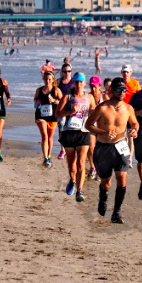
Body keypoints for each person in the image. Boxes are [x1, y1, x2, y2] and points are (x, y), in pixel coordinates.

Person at [85, 77, 138, 223]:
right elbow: (89, 125)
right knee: (106, 182)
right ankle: (103, 197)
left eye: (124, 90)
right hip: (103, 148)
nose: (122, 92)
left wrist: (134, 130)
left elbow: (135, 123)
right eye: (119, 89)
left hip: (121, 146)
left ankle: (116, 212)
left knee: (122, 178)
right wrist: (102, 132)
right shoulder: (102, 107)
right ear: (112, 90)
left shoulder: (128, 108)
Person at [57, 72, 96, 202]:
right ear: (74, 83)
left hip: (83, 132)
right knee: (71, 164)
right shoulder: (67, 97)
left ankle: (79, 191)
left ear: (85, 83)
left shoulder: (89, 97)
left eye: (81, 82)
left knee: (81, 163)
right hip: (69, 132)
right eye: (77, 82)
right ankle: (72, 180)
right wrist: (69, 111)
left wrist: (92, 113)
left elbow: (95, 111)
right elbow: (58, 113)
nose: (79, 84)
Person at [33, 70, 62, 167]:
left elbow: (62, 102)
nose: (47, 81)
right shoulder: (39, 90)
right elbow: (35, 100)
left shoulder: (56, 90)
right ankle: (45, 157)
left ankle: (49, 156)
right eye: (45, 79)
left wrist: (54, 101)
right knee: (44, 136)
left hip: (52, 116)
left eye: (49, 79)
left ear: (53, 79)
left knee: (50, 137)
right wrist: (37, 102)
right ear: (43, 79)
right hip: (41, 116)